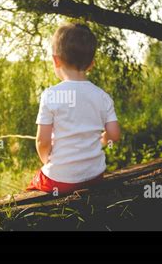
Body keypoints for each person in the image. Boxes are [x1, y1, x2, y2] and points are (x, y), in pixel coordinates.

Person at [27, 22, 121, 195]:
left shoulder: (51, 95)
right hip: (95, 176)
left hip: (60, 181)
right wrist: (102, 139)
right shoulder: (102, 96)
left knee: (31, 186)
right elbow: (114, 135)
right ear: (91, 63)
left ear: (56, 60)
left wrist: (46, 160)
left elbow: (42, 141)